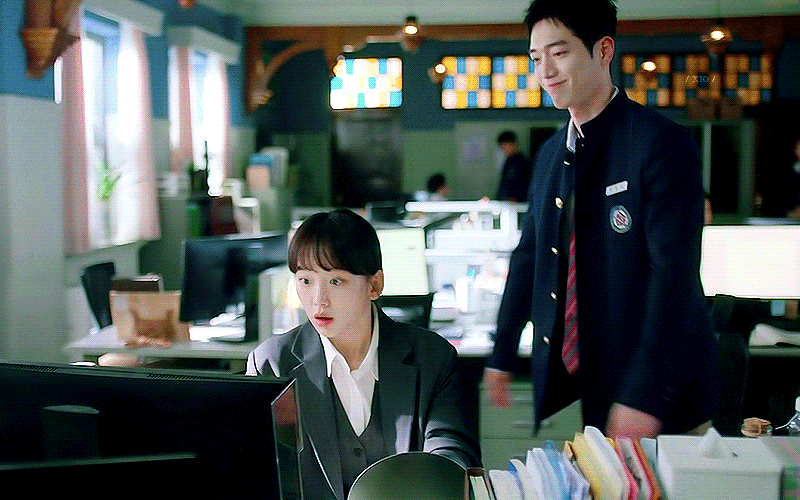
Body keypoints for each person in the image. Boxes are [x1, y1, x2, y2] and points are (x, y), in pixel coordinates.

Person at [484, 0, 719, 439]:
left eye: (560, 53)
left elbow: (675, 277)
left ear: (604, 50)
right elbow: (530, 257)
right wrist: (502, 351)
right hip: (592, 385)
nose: (545, 71)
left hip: (663, 394)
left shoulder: (661, 142)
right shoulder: (551, 154)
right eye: (536, 58)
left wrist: (644, 396)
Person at [246, 209, 480, 500]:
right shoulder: (271, 364)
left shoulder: (433, 358)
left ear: (374, 285)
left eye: (336, 281)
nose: (319, 300)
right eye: (306, 281)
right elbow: (257, 474)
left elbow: (451, 460)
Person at [495, 130, 533, 202]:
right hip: (506, 201)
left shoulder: (523, 162)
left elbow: (526, 186)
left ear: (514, 144)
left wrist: (516, 198)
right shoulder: (508, 161)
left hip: (519, 202)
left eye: (505, 147)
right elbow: (503, 184)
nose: (504, 151)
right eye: (502, 148)